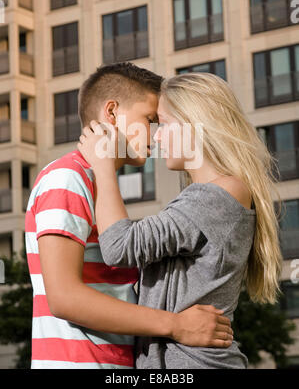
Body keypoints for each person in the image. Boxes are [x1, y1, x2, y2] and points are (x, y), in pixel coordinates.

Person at [25, 63, 233, 369]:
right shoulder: (68, 178)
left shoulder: (98, 184)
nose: (156, 134)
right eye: (149, 120)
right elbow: (64, 297)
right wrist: (177, 325)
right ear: (111, 113)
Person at [78, 71, 283, 369]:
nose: (156, 136)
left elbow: (120, 246)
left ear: (195, 125)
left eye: (163, 124)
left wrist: (103, 165)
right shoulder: (206, 196)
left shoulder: (218, 196)